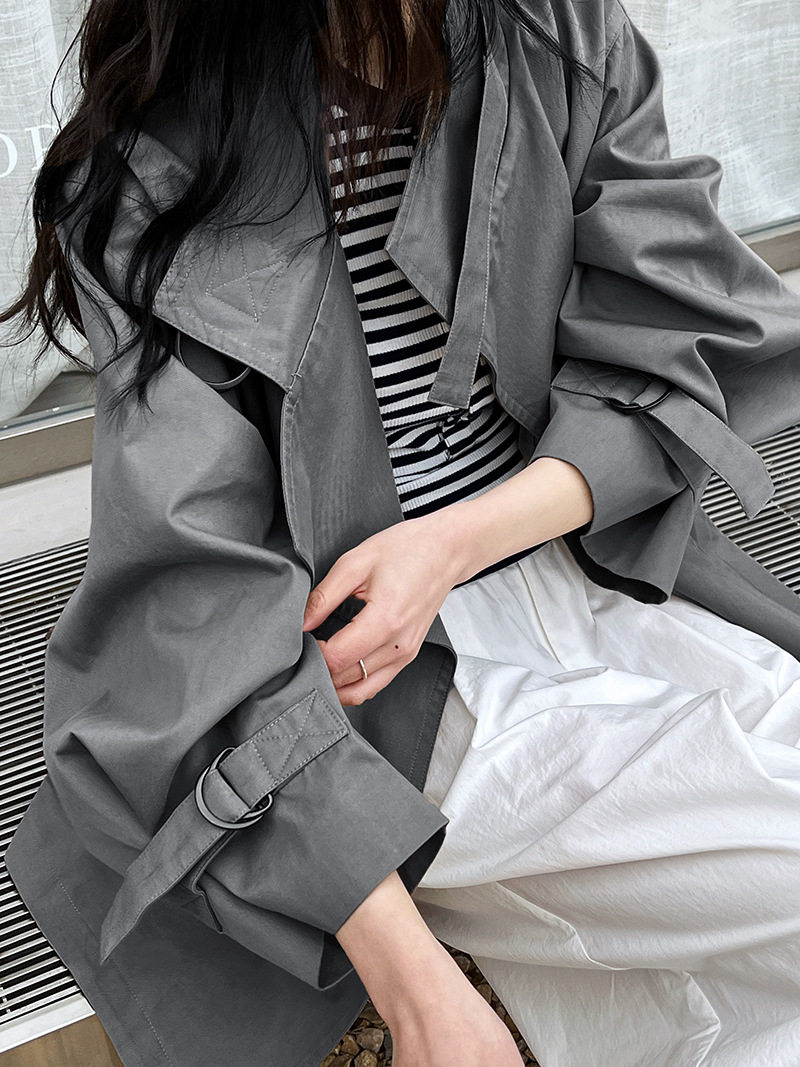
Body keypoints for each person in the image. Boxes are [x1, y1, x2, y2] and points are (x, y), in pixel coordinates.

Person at [3, 1, 800, 1065]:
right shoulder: (171, 165)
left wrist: (456, 541)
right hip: (378, 683)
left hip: (588, 561)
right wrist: (411, 976)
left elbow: (679, 319)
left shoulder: (551, 31)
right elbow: (186, 612)